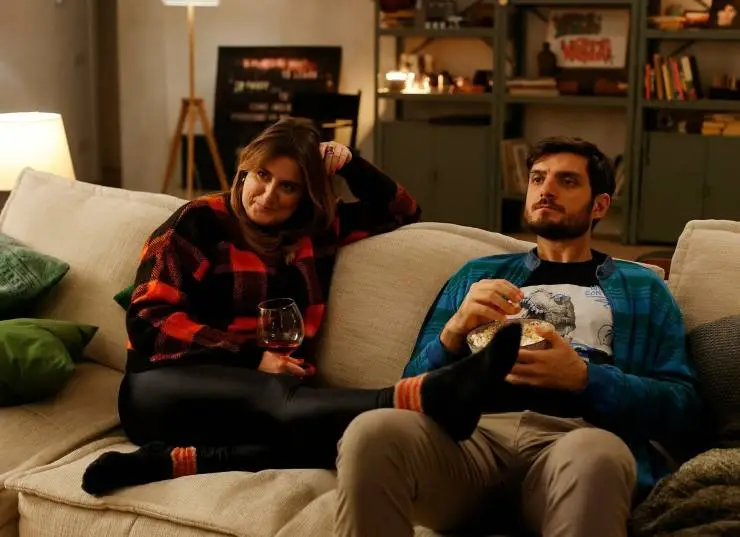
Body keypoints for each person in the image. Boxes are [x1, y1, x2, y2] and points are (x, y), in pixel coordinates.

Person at [81, 118, 523, 495]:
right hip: (161, 390)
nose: (268, 194)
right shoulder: (198, 222)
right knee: (284, 400)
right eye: (261, 175)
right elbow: (149, 322)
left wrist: (351, 164)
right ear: (243, 172)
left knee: (332, 441)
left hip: (259, 402)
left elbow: (403, 210)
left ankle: (165, 463)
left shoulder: (317, 230)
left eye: (288, 186)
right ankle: (425, 396)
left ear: (305, 195)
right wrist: (252, 359)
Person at [334, 136, 702, 537]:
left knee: (598, 454)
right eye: (538, 178)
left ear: (599, 205)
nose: (546, 190)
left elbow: (683, 409)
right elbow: (411, 386)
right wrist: (454, 331)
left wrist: (586, 379)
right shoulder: (478, 275)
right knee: (371, 432)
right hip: (470, 443)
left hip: (575, 441)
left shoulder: (643, 288)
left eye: (567, 181)